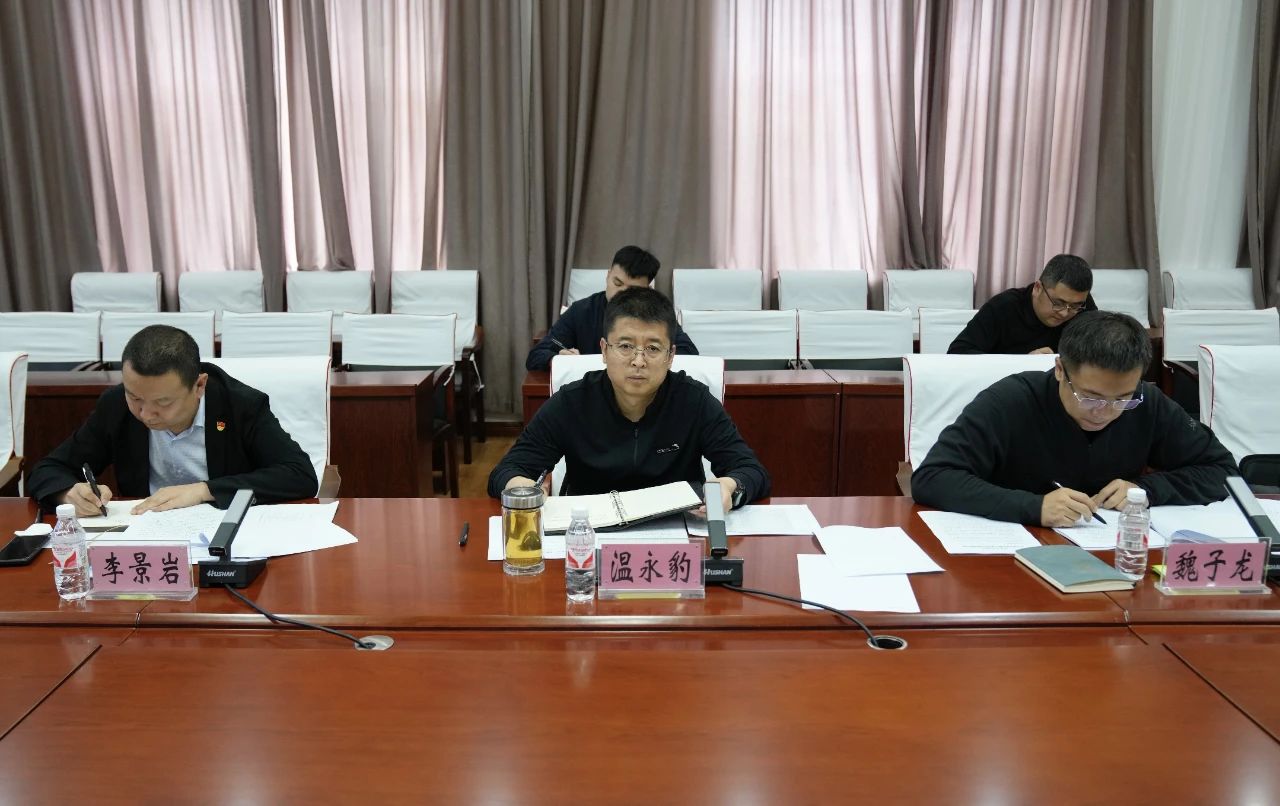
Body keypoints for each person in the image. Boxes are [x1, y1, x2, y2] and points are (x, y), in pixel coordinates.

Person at [913, 311, 1238, 527]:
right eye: (1091, 397)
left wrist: (1146, 490)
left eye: (1121, 399)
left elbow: (1223, 471)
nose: (1105, 411)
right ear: (1059, 369)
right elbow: (933, 477)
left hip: (1112, 554)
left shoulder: (1146, 402)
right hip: (1015, 554)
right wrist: (1033, 507)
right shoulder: (1009, 401)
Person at [493, 286, 769, 513]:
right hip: (589, 536)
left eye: (653, 348)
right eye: (625, 346)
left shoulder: (694, 401)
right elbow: (508, 470)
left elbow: (750, 471)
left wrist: (729, 486)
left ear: (671, 356)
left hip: (676, 536)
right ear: (604, 350)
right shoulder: (571, 402)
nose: (638, 361)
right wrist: (523, 487)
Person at [29, 325, 319, 516]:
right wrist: (69, 493)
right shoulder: (116, 405)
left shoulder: (240, 405)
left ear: (199, 386)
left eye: (163, 402)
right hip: (146, 535)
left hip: (225, 533)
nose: (145, 414)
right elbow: (48, 469)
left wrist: (204, 490)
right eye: (135, 397)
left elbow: (299, 475)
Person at [525, 245, 698, 371]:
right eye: (617, 283)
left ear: (647, 290)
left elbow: (689, 353)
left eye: (632, 290)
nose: (620, 293)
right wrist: (556, 358)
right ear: (608, 276)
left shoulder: (658, 313)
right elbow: (537, 355)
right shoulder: (582, 311)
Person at [948, 254, 1098, 355]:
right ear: (1037, 288)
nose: (1065, 313)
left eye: (1075, 306)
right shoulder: (1003, 307)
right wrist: (1022, 363)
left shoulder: (1083, 306)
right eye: (1058, 303)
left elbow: (1099, 349)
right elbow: (957, 352)